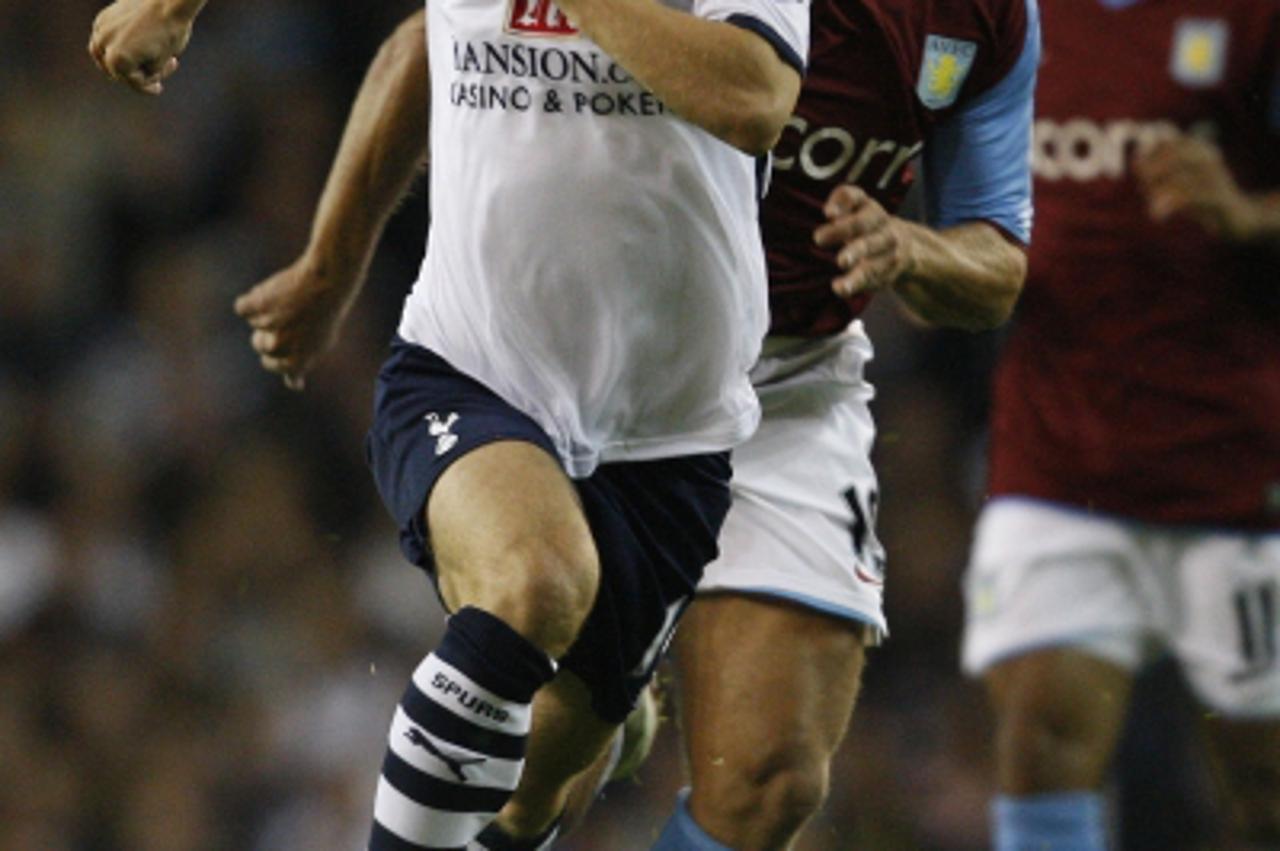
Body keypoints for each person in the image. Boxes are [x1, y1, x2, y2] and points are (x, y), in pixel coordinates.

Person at [223, 2, 1036, 849]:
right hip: (576, 334)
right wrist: (331, 264)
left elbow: (1000, 256)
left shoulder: (985, 20)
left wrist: (913, 248)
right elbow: (431, 47)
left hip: (786, 375)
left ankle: (613, 668)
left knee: (773, 778)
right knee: (537, 692)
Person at [90, 1, 810, 851]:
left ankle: (579, 738)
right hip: (472, 368)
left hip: (668, 434)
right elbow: (424, 41)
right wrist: (330, 263)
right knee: (537, 581)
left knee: (541, 788)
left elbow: (755, 94)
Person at [961, 1, 1280, 848]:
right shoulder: (1010, 18)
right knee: (1038, 742)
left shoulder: (1251, 19)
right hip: (1058, 457)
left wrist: (1250, 215)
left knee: (1263, 786)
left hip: (1236, 465)